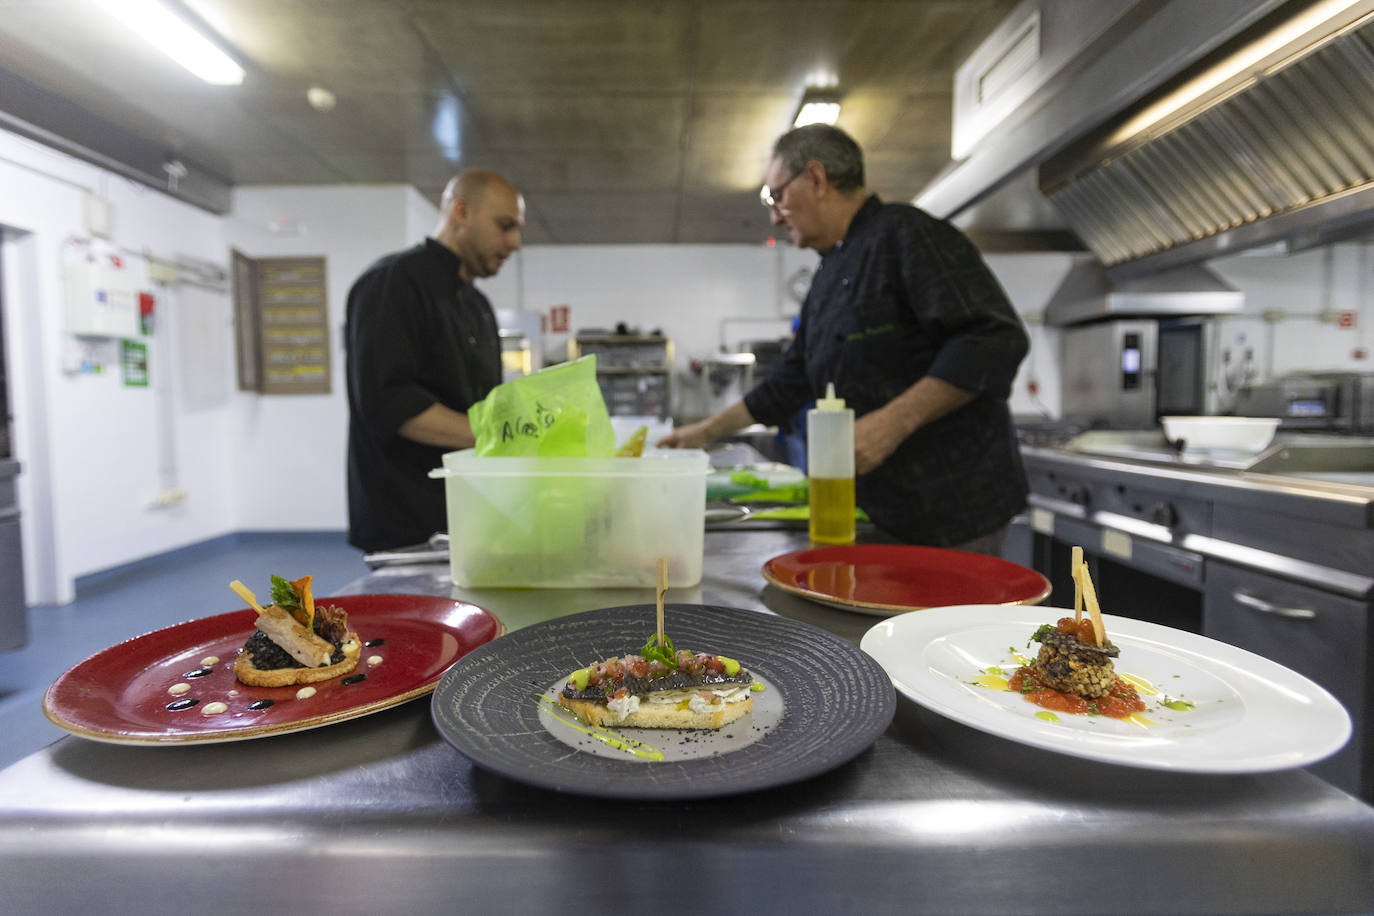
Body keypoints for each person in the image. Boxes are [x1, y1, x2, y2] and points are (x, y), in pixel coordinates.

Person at [659, 125, 1029, 555]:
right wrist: (701, 433)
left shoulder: (906, 234)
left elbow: (993, 337)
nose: (775, 216)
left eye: (776, 196)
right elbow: (790, 382)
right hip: (882, 511)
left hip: (956, 512)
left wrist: (893, 423)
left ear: (816, 179)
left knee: (952, 623)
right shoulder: (827, 273)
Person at [345, 169, 524, 552]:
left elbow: (483, 407)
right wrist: (506, 440)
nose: (515, 242)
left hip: (469, 516)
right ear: (461, 212)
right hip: (407, 526)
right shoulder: (392, 283)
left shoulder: (477, 306)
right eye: (505, 226)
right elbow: (389, 403)